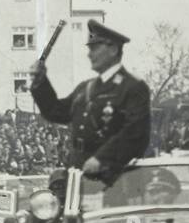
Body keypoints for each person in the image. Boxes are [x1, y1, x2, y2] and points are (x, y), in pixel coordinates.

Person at [29, 19, 151, 183]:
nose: (89, 54)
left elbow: (135, 133)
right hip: (79, 170)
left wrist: (102, 158)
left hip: (114, 175)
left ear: (113, 49)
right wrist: (41, 82)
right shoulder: (86, 88)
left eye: (95, 48)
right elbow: (56, 112)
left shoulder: (132, 87)